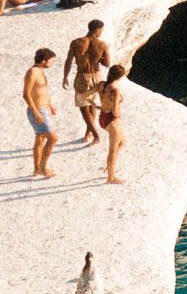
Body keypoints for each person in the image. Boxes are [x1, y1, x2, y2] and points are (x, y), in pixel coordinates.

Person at [64, 19, 110, 147]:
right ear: (98, 30)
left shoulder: (76, 42)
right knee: (92, 105)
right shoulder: (102, 45)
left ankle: (95, 136)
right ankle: (88, 133)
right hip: (97, 76)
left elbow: (68, 60)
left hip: (82, 76)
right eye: (102, 30)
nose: (101, 33)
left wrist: (65, 77)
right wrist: (98, 58)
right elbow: (107, 63)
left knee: (84, 108)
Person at [23, 47, 58, 178]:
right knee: (53, 138)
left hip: (44, 109)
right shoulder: (33, 72)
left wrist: (49, 104)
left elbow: (41, 91)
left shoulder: (40, 71)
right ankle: (43, 168)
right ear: (44, 60)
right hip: (37, 111)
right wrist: (36, 113)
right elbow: (26, 94)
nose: (52, 63)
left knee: (40, 138)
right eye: (51, 61)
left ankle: (37, 169)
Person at [99, 63, 127, 184]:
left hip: (103, 117)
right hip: (112, 120)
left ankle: (109, 166)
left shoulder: (101, 85)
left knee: (122, 142)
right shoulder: (115, 90)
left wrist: (98, 105)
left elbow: (85, 94)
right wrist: (118, 112)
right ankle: (111, 177)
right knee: (113, 150)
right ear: (120, 77)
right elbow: (115, 111)